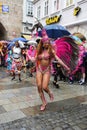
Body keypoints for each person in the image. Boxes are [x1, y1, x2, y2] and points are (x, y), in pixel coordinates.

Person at [30, 29, 70, 111]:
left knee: (44, 87)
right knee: (39, 86)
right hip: (39, 69)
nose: (47, 44)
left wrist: (66, 66)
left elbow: (58, 59)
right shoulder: (39, 50)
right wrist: (28, 55)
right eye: (45, 43)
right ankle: (44, 102)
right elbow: (34, 60)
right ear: (42, 43)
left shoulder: (51, 51)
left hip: (47, 70)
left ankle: (49, 93)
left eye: (48, 43)